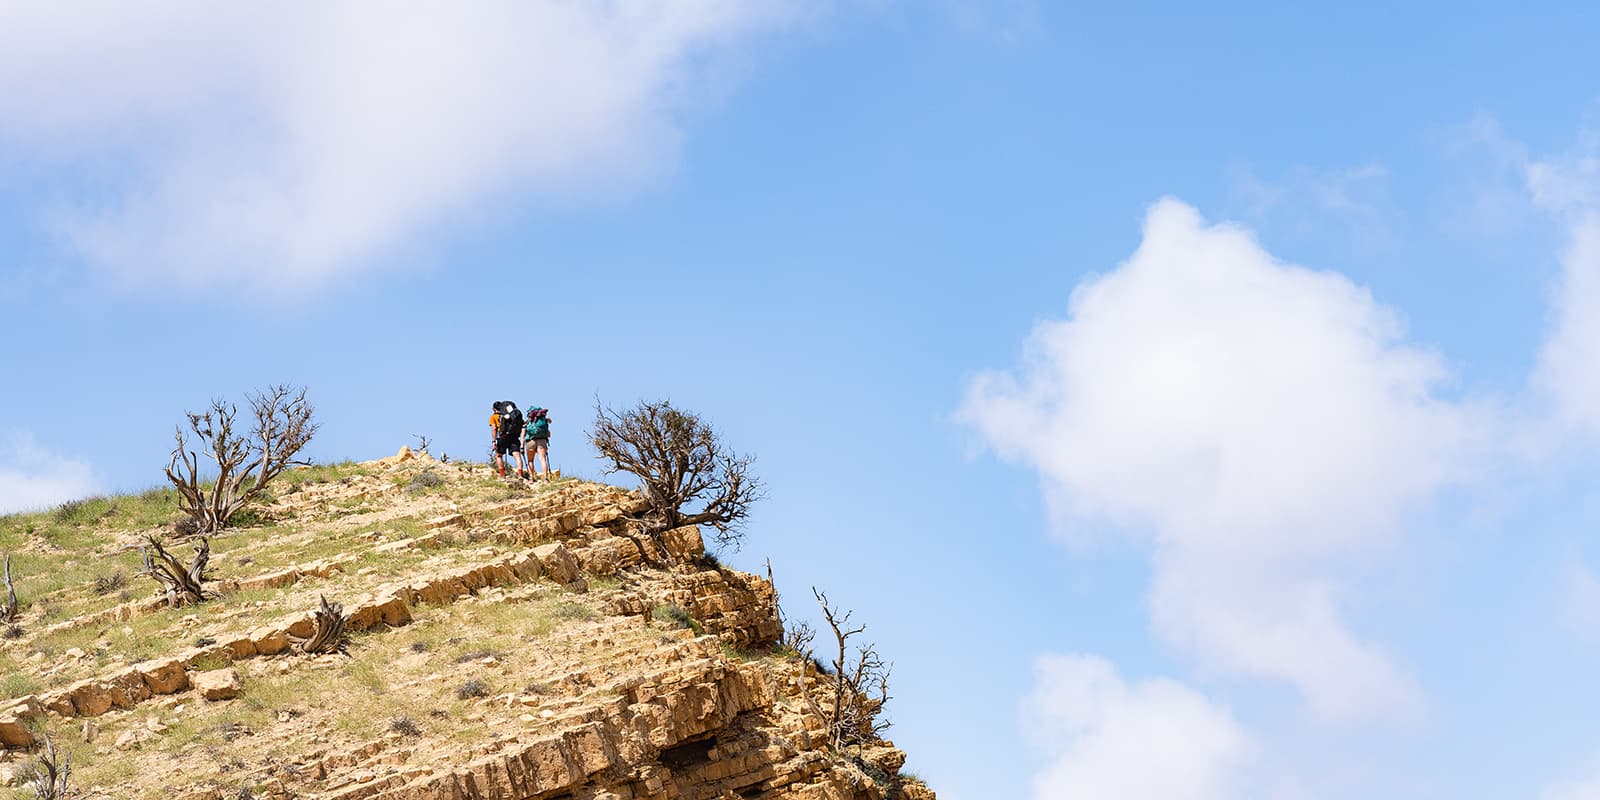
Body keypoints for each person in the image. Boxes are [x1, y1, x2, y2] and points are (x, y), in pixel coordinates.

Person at [489, 401, 527, 478]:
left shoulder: (494, 417)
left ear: (494, 409)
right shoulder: (513, 415)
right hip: (514, 436)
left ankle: (502, 475)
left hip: (502, 437)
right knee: (517, 455)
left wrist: (493, 441)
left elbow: (494, 429)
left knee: (499, 455)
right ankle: (520, 474)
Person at [523, 406, 552, 481]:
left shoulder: (528, 422)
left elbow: (523, 435)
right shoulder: (543, 421)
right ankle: (545, 478)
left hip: (530, 441)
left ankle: (531, 478)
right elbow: (549, 434)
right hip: (542, 441)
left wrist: (522, 446)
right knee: (542, 459)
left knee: (530, 460)